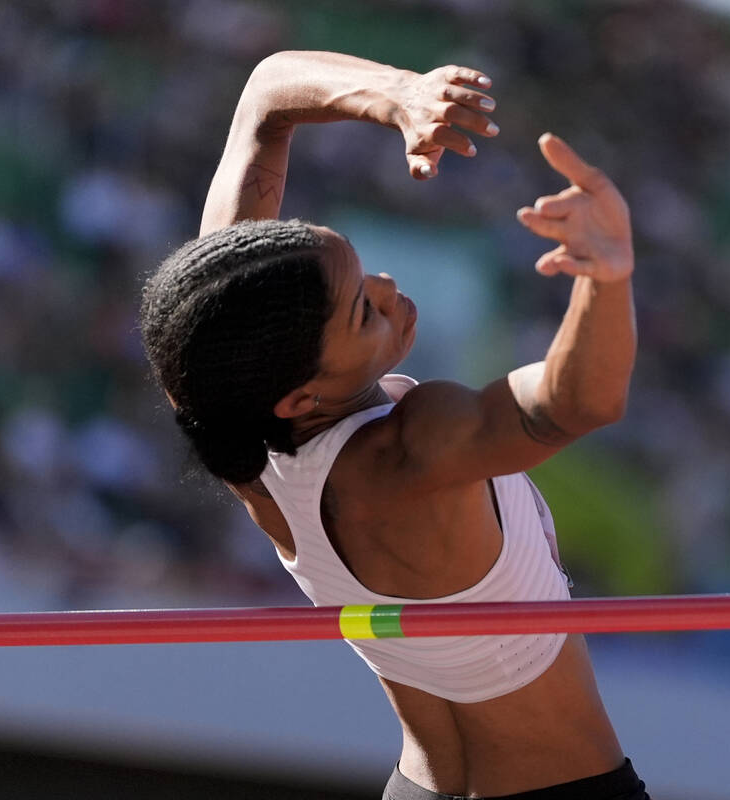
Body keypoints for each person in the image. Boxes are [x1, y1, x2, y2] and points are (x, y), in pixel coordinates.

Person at [140, 51, 645, 800]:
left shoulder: (226, 405)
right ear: (301, 398)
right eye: (361, 311)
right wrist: (606, 280)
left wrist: (402, 96)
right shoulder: (415, 446)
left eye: (360, 269)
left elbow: (267, 99)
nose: (385, 287)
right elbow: (578, 404)